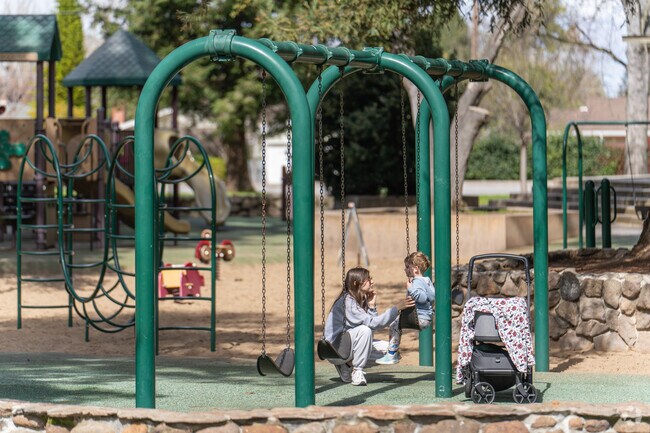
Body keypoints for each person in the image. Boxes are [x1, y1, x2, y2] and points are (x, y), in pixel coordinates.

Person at [324, 267, 415, 386]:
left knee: (390, 351)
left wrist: (371, 307)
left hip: (347, 345)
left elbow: (371, 332)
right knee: (364, 330)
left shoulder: (360, 299)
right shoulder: (348, 301)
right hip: (335, 349)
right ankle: (357, 371)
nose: (372, 282)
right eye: (368, 279)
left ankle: (346, 364)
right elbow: (372, 325)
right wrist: (397, 308)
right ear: (357, 283)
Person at [376, 251, 435, 365]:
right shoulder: (427, 281)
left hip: (418, 317)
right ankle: (393, 352)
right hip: (426, 318)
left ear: (415, 269)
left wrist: (410, 288)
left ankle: (392, 354)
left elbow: (422, 298)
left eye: (407, 267)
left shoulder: (417, 281)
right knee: (396, 324)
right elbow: (432, 297)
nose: (405, 270)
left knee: (394, 325)